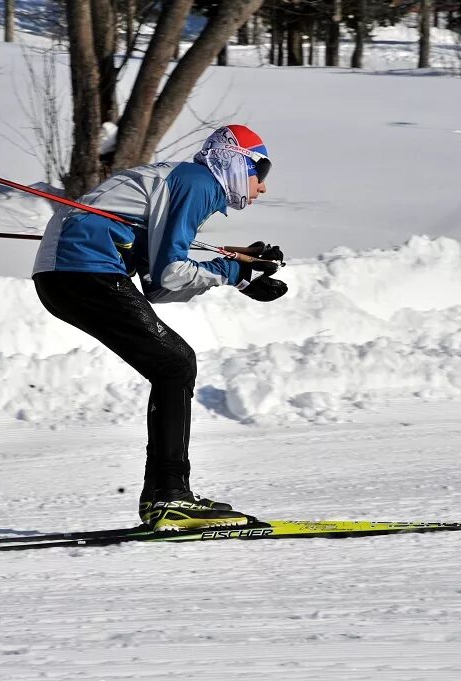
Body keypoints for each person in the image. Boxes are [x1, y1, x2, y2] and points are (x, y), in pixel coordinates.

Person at [32, 125, 286, 531]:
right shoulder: (199, 182)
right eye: (262, 171)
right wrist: (234, 271)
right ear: (237, 161)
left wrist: (240, 268)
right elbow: (170, 275)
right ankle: (168, 497)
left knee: (172, 364)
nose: (263, 187)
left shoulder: (186, 180)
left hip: (64, 274)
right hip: (82, 270)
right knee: (175, 365)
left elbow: (156, 285)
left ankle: (166, 495)